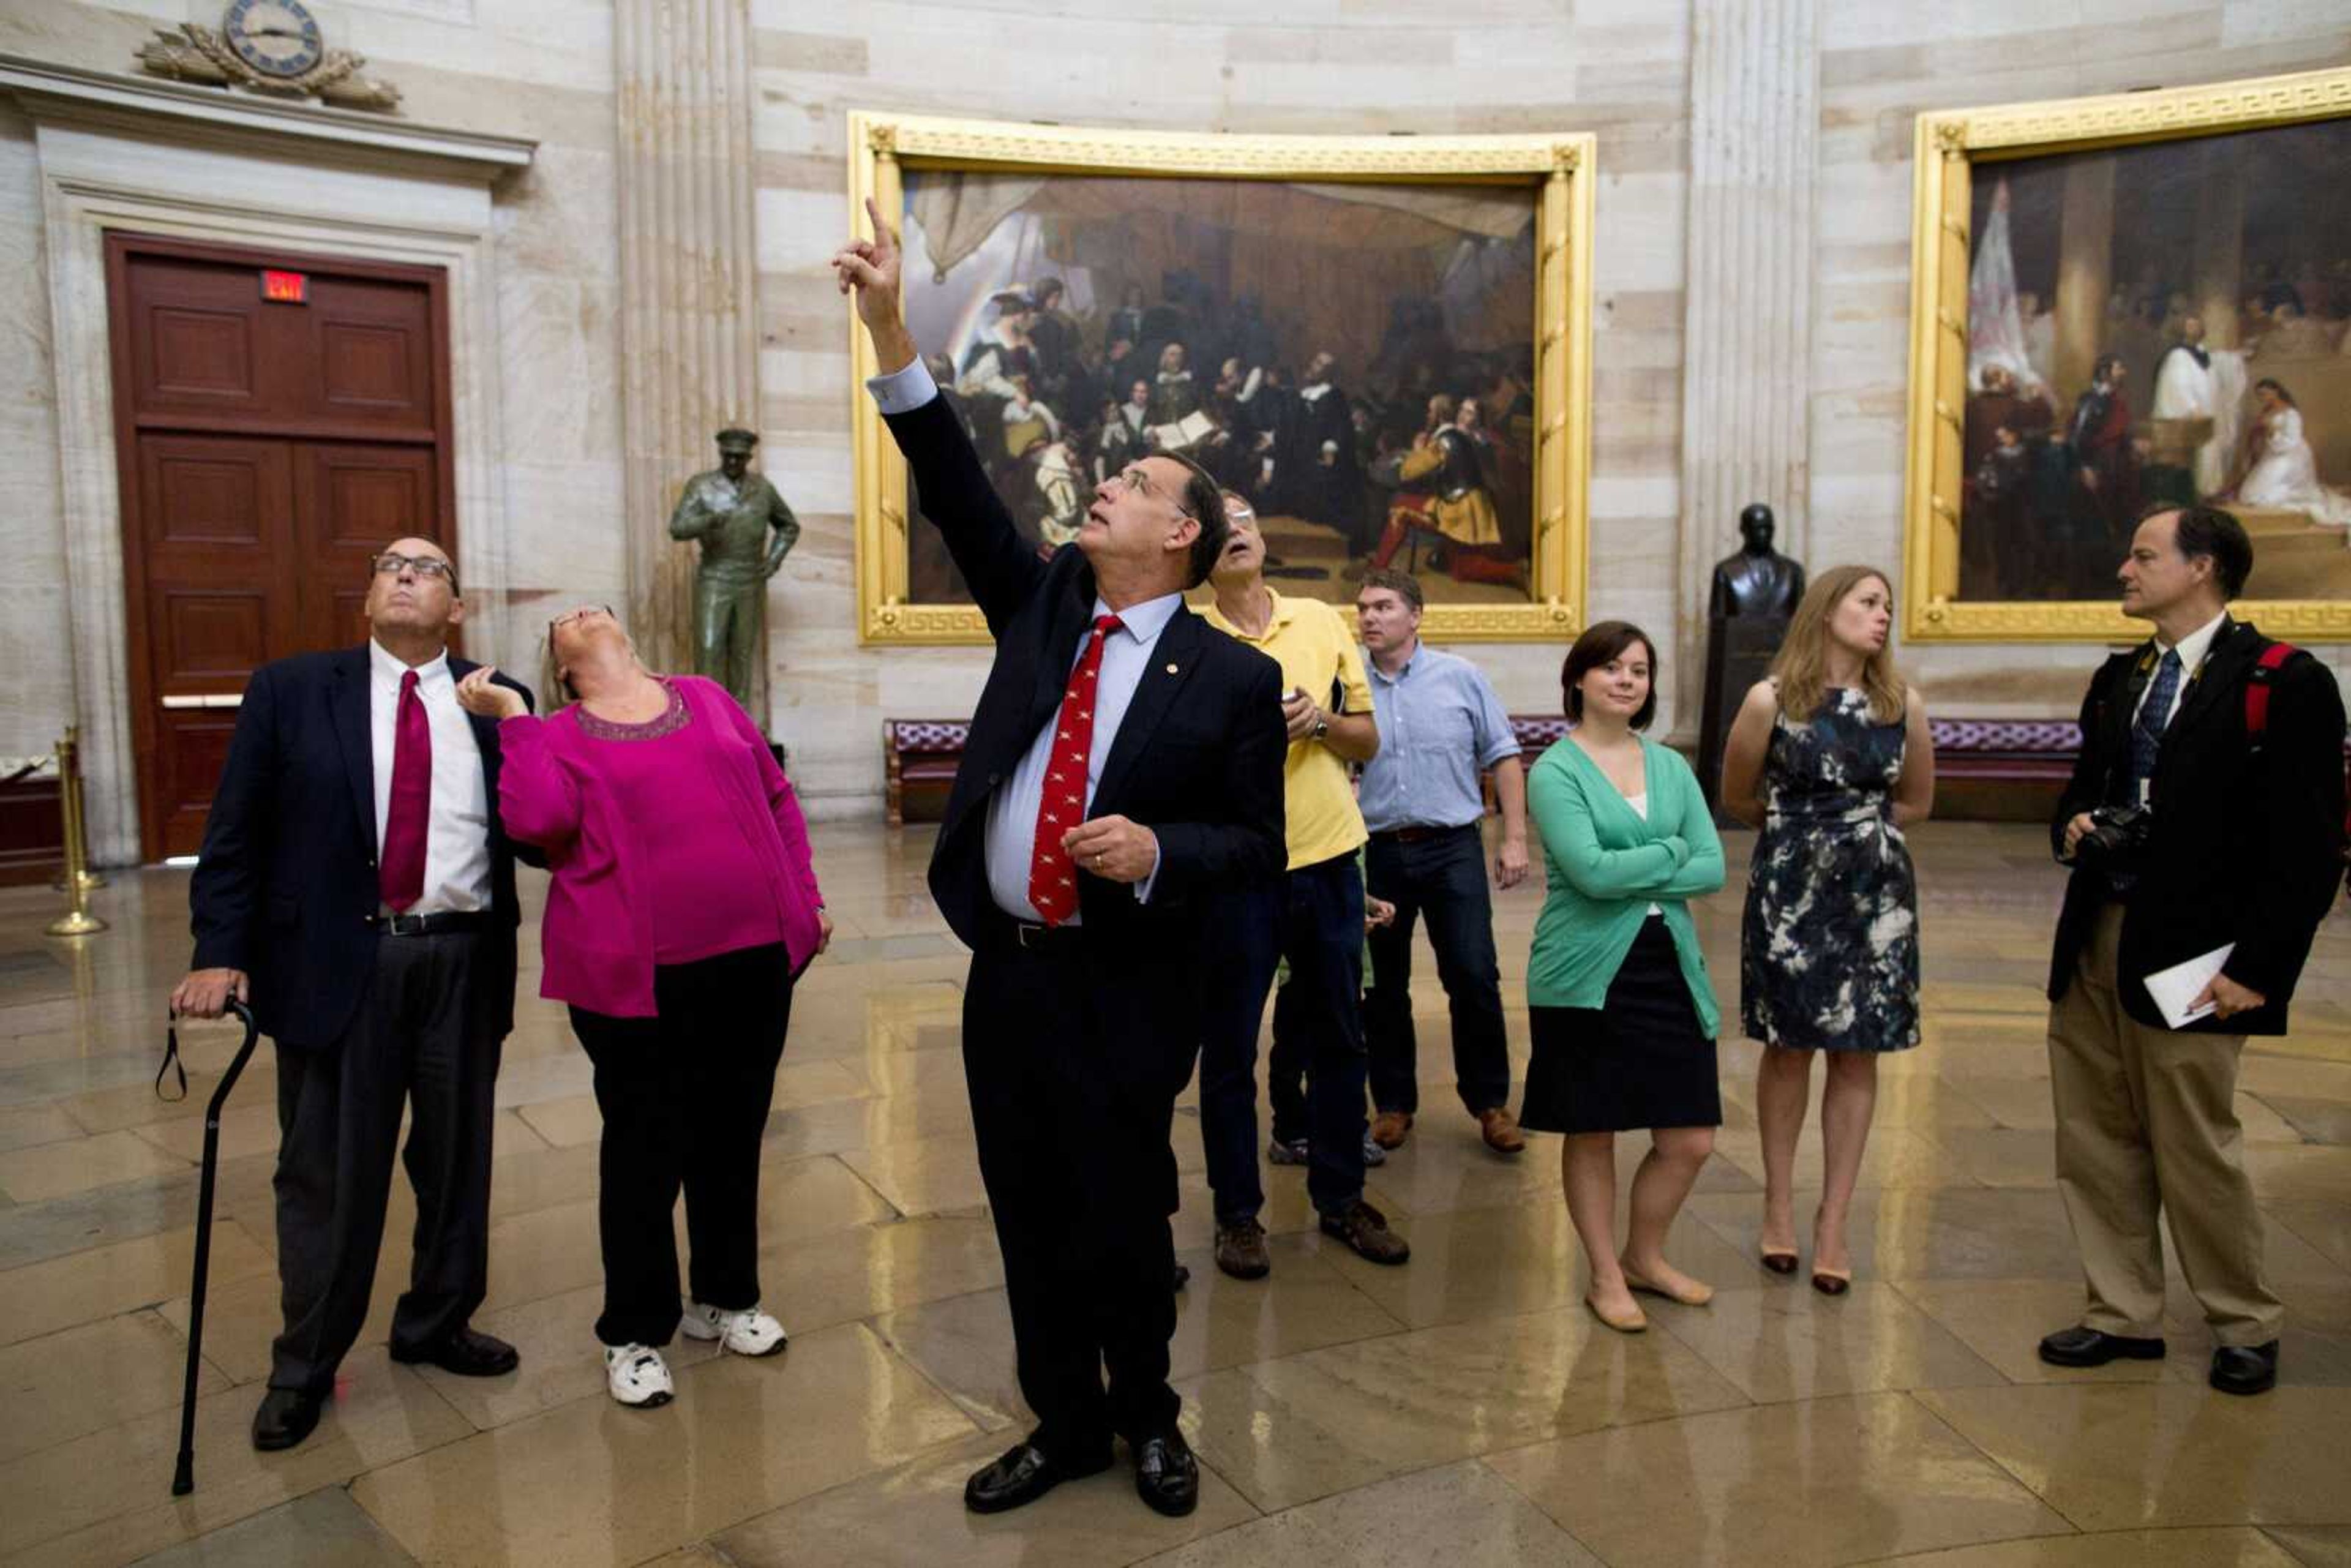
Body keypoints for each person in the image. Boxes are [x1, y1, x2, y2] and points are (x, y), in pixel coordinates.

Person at [834, 199, 1286, 1520]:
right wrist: (889, 322)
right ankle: (1067, 1421)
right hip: (1011, 973)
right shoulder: (1041, 606)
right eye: (1119, 473)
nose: (1114, 482)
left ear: (1182, 537)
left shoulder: (1232, 681)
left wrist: (1155, 849)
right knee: (1025, 1211)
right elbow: (956, 478)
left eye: (1143, 484)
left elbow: (1255, 844)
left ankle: (1150, 1414)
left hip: (1132, 976)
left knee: (1123, 1211)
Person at [172, 538, 532, 1454]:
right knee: (329, 1172)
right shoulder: (293, 689)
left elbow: (541, 828)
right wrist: (220, 951)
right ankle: (305, 1364)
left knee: (457, 1162)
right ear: (370, 595)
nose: (406, 572)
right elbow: (235, 835)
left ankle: (436, 1321)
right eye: (390, 563)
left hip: (462, 958)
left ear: (456, 606)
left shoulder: (495, 699)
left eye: (429, 566)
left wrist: (526, 722)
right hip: (342, 963)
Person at [459, 606, 830, 1409]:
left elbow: (777, 797)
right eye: (564, 619)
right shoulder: (553, 731)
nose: (581, 613)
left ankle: (725, 1300)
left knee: (732, 1134)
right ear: (562, 663)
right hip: (634, 977)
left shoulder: (705, 694)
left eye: (595, 609)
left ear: (628, 634)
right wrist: (517, 721)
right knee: (644, 1149)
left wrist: (807, 895)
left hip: (753, 957)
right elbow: (539, 821)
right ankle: (633, 1332)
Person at [2036, 504, 2345, 1397]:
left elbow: (2311, 846)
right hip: (2096, 938)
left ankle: (2244, 1321)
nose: (2124, 570)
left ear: (2202, 566)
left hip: (2199, 954)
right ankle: (2121, 1312)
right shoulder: (2119, 677)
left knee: (2195, 1141)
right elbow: (2079, 794)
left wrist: (2259, 970)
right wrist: (2076, 830)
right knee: (2093, 1135)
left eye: (2144, 555)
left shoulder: (2284, 682)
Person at [1197, 494, 1409, 1281]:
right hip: (1236, 871)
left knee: (1341, 1035)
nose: (1238, 529)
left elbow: (1367, 738)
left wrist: (1319, 721)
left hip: (1328, 860)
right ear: (1197, 550)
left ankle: (1342, 1195)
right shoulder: (1187, 636)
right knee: (1227, 1051)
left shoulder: (1320, 620)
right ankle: (1238, 1216)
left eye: (1246, 514)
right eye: (1218, 523)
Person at [1722, 566, 1932, 1296]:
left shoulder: (1900, 703)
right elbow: (1738, 792)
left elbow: (1918, 799)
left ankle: (1834, 1218)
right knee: (1788, 1049)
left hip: (1876, 897)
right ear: (1828, 608)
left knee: (1857, 1053)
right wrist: (1802, 840)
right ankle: (1777, 1204)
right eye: (1869, 602)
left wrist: (1856, 839)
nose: (1883, 617)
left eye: (1889, 605)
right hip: (1791, 890)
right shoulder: (1771, 700)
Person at [1521, 621, 1726, 1334]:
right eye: (1611, 667)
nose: (1627, 679)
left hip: (1669, 963)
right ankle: (1605, 1274)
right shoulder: (1554, 771)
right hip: (1583, 972)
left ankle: (1645, 1254)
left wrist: (1643, 863)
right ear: (1579, 678)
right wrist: (1669, 851)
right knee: (1595, 1126)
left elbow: (1715, 865)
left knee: (1690, 1135)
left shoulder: (1670, 766)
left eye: (1639, 669)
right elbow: (1589, 874)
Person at [1352, 568, 1530, 1157]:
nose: (1370, 618)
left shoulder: (1461, 678)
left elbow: (1503, 756)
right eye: (1363, 609)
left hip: (1453, 846)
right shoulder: (1348, 681)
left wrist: (1515, 838)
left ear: (1416, 615)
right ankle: (1394, 1103)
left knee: (1474, 974)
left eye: (1383, 606)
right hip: (1379, 848)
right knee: (1383, 986)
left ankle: (1490, 1103)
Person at [668, 427, 802, 715]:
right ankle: (707, 716)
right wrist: (707, 520)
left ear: (748, 457)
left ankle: (739, 721)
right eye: (728, 456)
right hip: (715, 575)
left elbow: (788, 525)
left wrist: (774, 559)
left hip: (749, 578)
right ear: (721, 454)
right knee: (708, 646)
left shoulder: (762, 488)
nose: (733, 462)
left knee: (742, 653)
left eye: (739, 457)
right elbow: (678, 528)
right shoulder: (702, 485)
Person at [2227, 378, 2351, 532]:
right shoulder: (2268, 411)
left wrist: (2271, 430)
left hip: (2291, 456)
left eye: (2265, 394)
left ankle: (2295, 492)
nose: (2263, 398)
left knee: (2257, 497)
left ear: (2276, 392)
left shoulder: (2291, 413)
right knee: (2248, 494)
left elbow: (2291, 441)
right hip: (2274, 453)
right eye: (2260, 395)